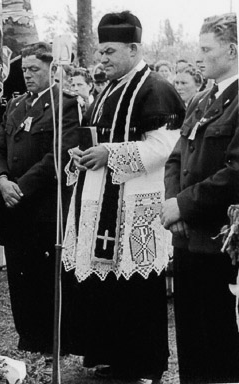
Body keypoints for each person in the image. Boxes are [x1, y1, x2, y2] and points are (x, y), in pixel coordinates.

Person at [62, 11, 186, 383]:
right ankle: (112, 355)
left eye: (110, 52)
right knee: (107, 285)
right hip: (101, 199)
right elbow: (98, 139)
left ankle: (143, 365)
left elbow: (166, 146)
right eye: (100, 52)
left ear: (134, 48)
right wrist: (84, 155)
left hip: (135, 205)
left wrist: (111, 154)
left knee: (135, 288)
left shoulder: (156, 87)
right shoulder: (108, 89)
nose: (102, 60)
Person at [163, 13, 239, 384]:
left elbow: (236, 172)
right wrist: (173, 202)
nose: (200, 56)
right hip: (186, 234)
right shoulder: (201, 99)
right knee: (191, 336)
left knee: (221, 338)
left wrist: (184, 204)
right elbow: (177, 156)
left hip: (220, 240)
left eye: (206, 49)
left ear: (233, 50)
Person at [0, 42, 80, 353]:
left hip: (44, 208)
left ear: (52, 70)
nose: (27, 76)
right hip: (13, 205)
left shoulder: (65, 105)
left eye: (34, 70)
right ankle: (27, 338)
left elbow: (59, 156)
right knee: (19, 276)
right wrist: (1, 181)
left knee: (46, 278)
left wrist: (20, 188)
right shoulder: (15, 106)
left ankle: (54, 342)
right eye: (24, 70)